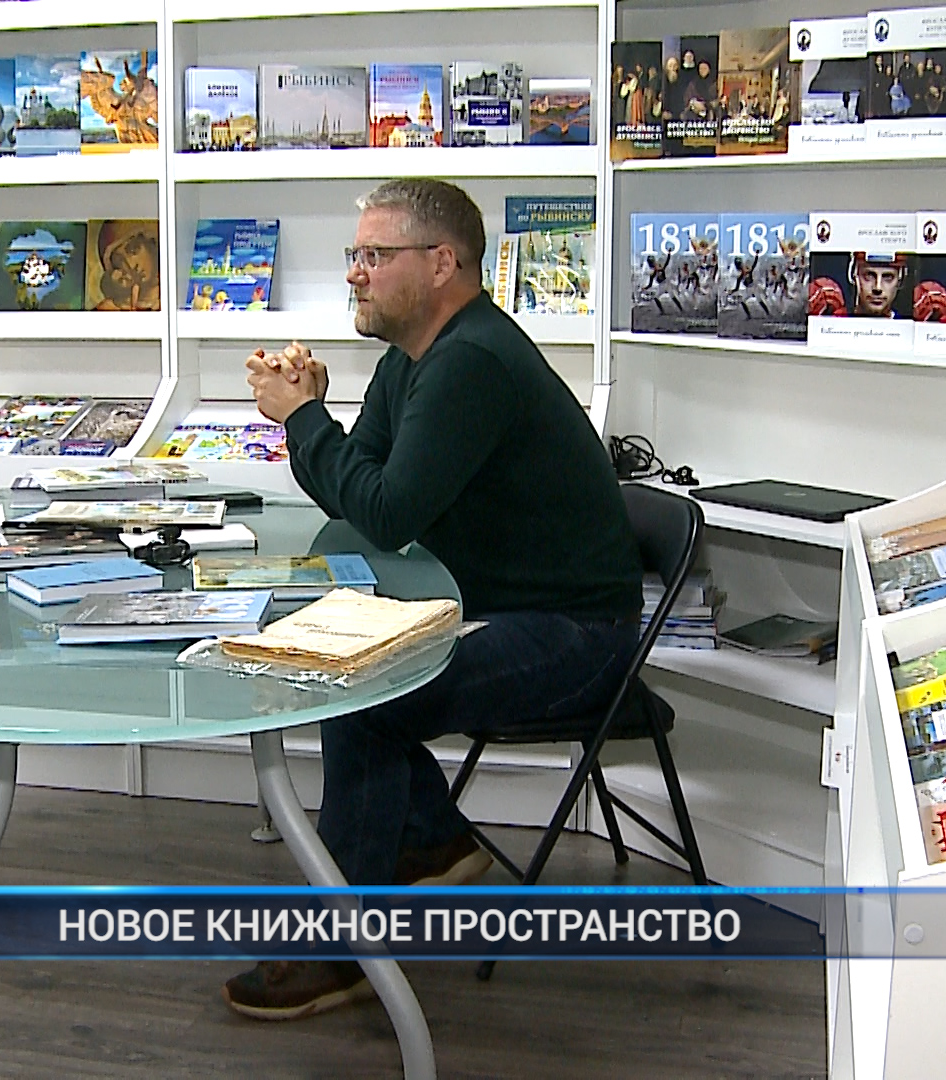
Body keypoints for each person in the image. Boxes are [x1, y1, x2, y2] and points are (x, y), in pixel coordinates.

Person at [227, 178, 644, 1021]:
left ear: (442, 263)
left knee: (366, 694)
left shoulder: (470, 362)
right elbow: (362, 498)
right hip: (496, 609)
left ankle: (347, 942)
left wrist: (304, 419)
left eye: (375, 256)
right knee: (354, 678)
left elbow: (387, 512)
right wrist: (310, 418)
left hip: (577, 635)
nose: (356, 273)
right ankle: (430, 841)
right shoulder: (413, 361)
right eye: (355, 255)